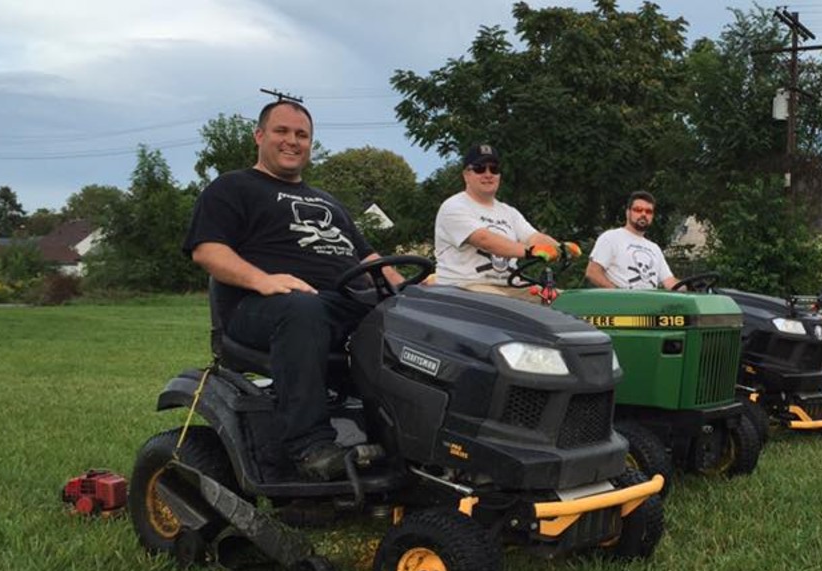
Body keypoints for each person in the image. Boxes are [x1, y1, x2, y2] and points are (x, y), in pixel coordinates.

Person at [183, 99, 403, 481]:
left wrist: (411, 291)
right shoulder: (233, 188)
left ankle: (415, 441)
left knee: (414, 322)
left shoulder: (328, 202)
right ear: (259, 136)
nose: (292, 141)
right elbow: (207, 250)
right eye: (282, 131)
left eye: (302, 135)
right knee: (302, 309)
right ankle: (310, 447)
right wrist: (264, 281)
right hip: (260, 307)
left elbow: (368, 257)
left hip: (340, 302)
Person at [433, 144, 571, 298]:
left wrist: (560, 248)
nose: (488, 174)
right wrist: (529, 252)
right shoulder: (454, 206)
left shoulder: (508, 212)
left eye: (494, 169)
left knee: (564, 301)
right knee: (508, 308)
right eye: (480, 168)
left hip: (511, 287)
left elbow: (534, 237)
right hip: (464, 288)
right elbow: (484, 240)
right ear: (466, 175)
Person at [585, 191, 679, 290]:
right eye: (638, 210)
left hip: (649, 304)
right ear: (628, 212)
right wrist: (619, 294)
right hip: (618, 304)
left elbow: (669, 281)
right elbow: (593, 272)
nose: (643, 214)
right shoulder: (611, 238)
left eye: (648, 211)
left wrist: (689, 287)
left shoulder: (654, 249)